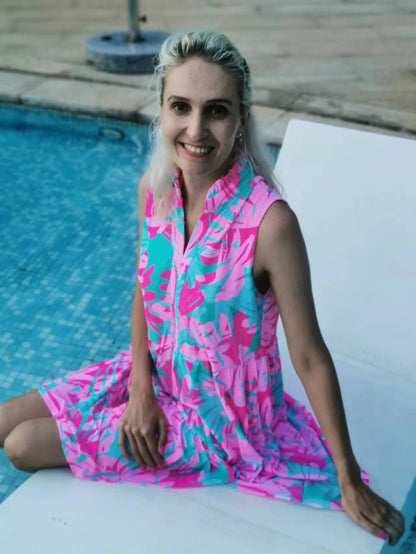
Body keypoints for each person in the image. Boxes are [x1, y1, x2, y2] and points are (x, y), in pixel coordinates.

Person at [0, 30, 404, 545]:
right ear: (163, 110)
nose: (196, 129)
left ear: (241, 120)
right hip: (155, 375)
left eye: (216, 110)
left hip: (222, 423)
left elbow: (309, 357)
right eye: (180, 107)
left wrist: (348, 477)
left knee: (21, 444)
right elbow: (147, 289)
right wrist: (140, 388)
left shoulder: (268, 225)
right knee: (4, 418)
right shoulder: (157, 190)